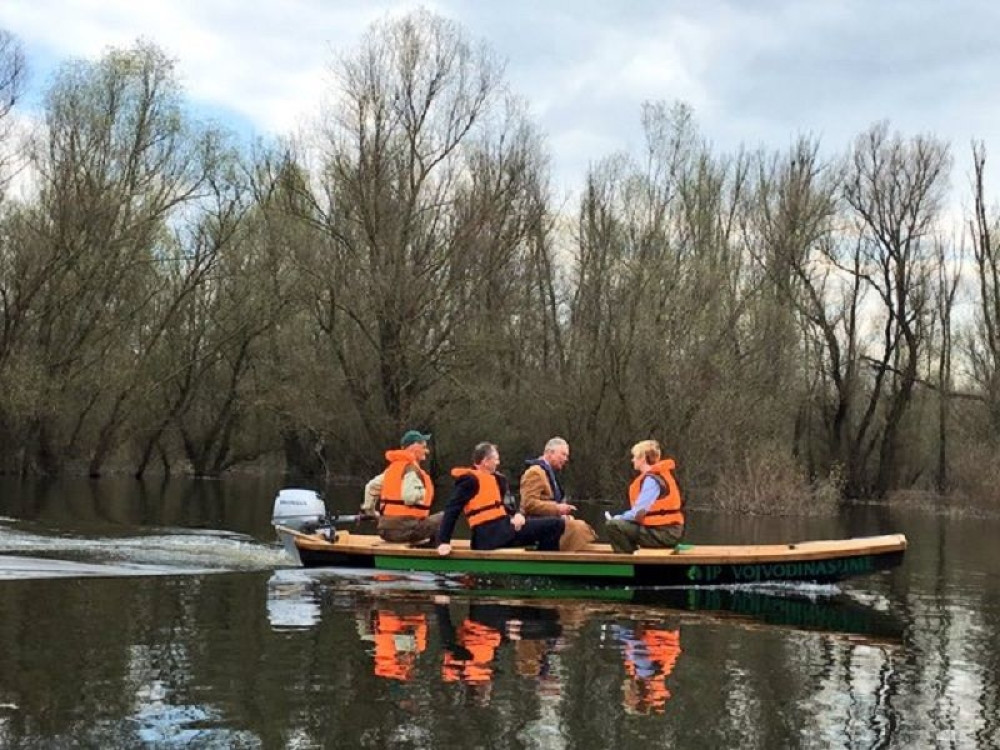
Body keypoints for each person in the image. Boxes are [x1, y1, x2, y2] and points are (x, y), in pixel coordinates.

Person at [436, 442, 564, 555]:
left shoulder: (499, 480)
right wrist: (444, 541)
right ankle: (543, 570)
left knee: (555, 524)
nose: (498, 462)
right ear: (486, 461)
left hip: (505, 529)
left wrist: (518, 515)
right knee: (554, 525)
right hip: (486, 537)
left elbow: (509, 507)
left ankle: (541, 565)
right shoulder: (470, 480)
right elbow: (452, 510)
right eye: (496, 459)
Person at [361, 430, 442, 546]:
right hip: (406, 532)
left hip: (384, 532)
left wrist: (372, 512)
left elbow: (370, 488)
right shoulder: (411, 470)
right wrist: (423, 491)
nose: (427, 451)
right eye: (424, 447)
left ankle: (428, 543)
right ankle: (433, 547)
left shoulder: (391, 470)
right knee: (446, 515)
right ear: (414, 447)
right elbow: (409, 498)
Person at [605, 440, 684, 554]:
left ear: (642, 458)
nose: (632, 460)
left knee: (613, 525)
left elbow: (639, 513)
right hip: (667, 531)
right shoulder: (659, 475)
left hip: (663, 534)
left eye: (634, 457)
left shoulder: (651, 481)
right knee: (622, 523)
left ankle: (627, 559)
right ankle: (634, 552)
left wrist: (618, 518)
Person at [519, 437, 597, 551]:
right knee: (578, 527)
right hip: (539, 527)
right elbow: (529, 504)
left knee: (579, 526)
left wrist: (563, 515)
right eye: (563, 454)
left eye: (567, 456)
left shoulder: (549, 474)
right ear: (550, 453)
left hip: (552, 524)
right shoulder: (534, 472)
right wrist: (558, 509)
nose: (566, 459)